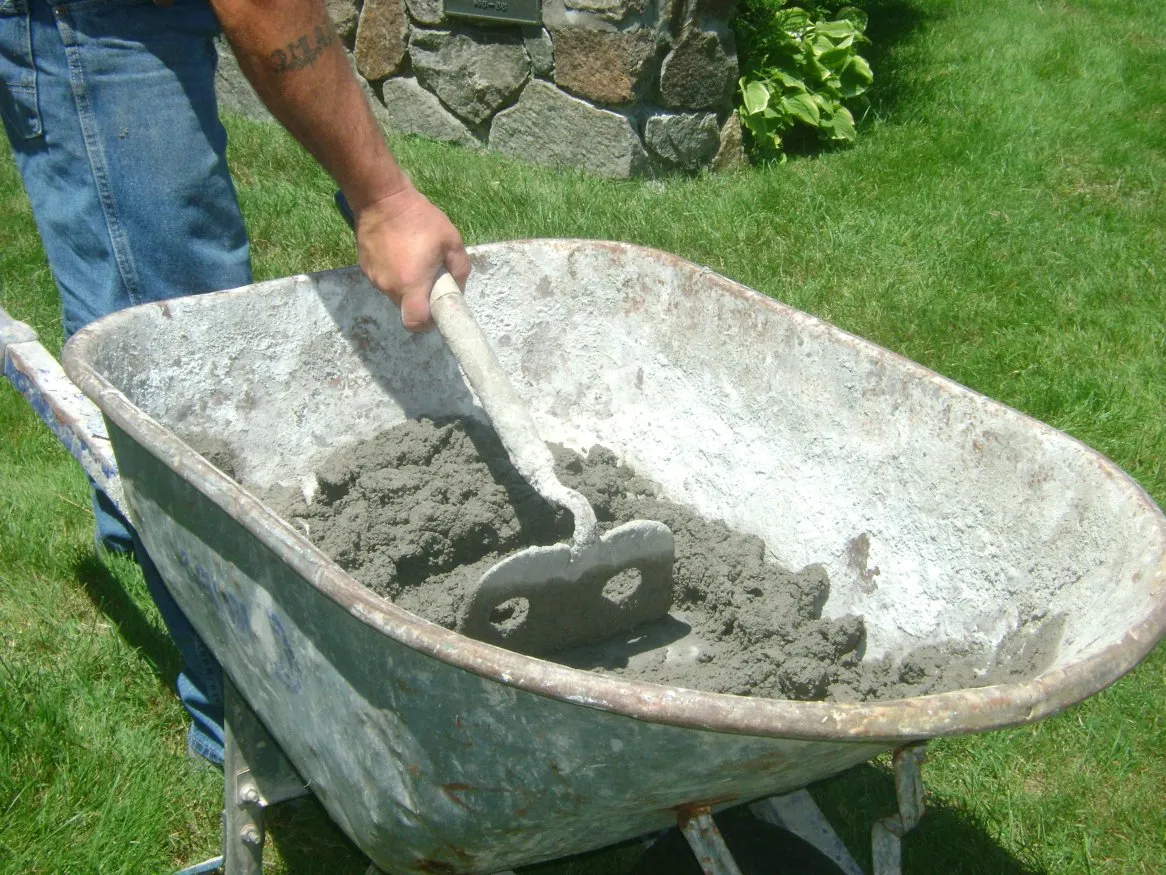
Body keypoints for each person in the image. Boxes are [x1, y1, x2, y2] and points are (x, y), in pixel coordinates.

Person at [0, 0, 470, 765]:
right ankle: (253, 715)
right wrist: (382, 195)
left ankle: (135, 529)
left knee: (162, 321)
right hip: (96, 18)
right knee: (176, 344)